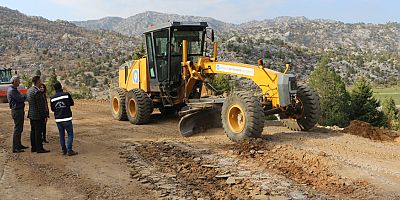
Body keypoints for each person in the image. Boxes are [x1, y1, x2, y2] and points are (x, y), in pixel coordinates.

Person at [50, 81, 77, 156]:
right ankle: (69, 150)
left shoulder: (52, 98)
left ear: (54, 89)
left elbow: (52, 109)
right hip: (67, 118)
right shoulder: (66, 95)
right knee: (70, 134)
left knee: (61, 135)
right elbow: (72, 103)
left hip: (58, 119)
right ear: (61, 87)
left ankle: (63, 150)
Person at [27, 76, 50, 153]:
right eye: (40, 81)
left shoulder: (29, 90)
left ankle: (33, 147)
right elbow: (40, 106)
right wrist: (44, 116)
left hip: (31, 114)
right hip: (37, 115)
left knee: (33, 131)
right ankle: (39, 148)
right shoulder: (37, 92)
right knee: (38, 132)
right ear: (37, 82)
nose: (41, 82)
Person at [7, 76, 28, 153]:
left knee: (19, 129)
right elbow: (20, 98)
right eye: (18, 81)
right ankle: (15, 147)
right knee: (17, 129)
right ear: (15, 82)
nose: (19, 82)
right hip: (17, 111)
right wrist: (26, 94)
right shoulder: (12, 90)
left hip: (18, 110)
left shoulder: (13, 89)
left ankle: (18, 145)